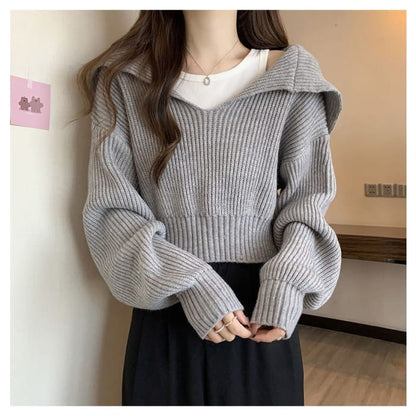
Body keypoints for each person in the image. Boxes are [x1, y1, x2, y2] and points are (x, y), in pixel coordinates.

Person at [77, 10, 343, 406]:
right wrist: (192, 281)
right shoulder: (125, 81)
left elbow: (307, 205)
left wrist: (287, 285)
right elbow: (111, 211)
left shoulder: (292, 78)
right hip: (165, 307)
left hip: (262, 310)